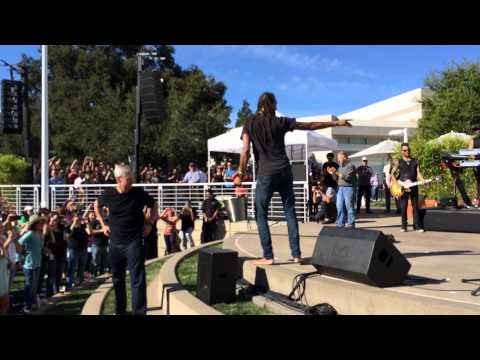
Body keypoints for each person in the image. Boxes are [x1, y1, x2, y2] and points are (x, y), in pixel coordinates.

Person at [236, 92, 352, 265]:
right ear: (272, 105)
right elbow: (310, 125)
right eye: (276, 105)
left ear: (259, 105)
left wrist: (240, 171)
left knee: (261, 213)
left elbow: (245, 149)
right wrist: (336, 123)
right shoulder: (280, 122)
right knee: (289, 211)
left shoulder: (250, 123)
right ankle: (296, 254)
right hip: (284, 171)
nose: (277, 108)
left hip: (265, 173)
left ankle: (268, 256)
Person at [95, 164, 157, 315]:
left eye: (132, 178)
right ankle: (120, 310)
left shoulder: (138, 193)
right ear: (119, 179)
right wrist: (103, 225)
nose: (132, 181)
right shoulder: (109, 194)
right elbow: (96, 205)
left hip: (134, 242)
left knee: (138, 279)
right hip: (115, 244)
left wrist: (149, 224)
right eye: (129, 179)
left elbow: (154, 204)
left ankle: (139, 312)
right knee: (117, 279)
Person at [391, 143, 425, 232]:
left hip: (413, 185)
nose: (407, 151)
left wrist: (423, 180)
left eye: (408, 150)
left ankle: (417, 226)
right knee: (404, 206)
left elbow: (418, 173)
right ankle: (404, 226)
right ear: (402, 151)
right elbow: (392, 174)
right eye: (405, 150)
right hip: (403, 187)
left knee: (415, 206)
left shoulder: (415, 161)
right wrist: (397, 184)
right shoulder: (398, 162)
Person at [17, 215, 47, 313]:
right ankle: (26, 306)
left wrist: (47, 251)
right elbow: (19, 243)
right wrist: (20, 258)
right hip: (28, 264)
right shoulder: (30, 233)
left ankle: (32, 304)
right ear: (35, 224)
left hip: (38, 263)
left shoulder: (41, 234)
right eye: (40, 223)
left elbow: (41, 248)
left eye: (43, 223)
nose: (42, 225)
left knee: (34, 286)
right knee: (29, 285)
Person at [327, 151, 357, 228]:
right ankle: (340, 223)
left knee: (349, 206)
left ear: (345, 157)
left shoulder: (351, 166)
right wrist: (332, 173)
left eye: (339, 157)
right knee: (339, 206)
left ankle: (351, 223)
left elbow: (347, 178)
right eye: (337, 158)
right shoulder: (340, 167)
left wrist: (335, 172)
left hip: (349, 188)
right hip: (340, 188)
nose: (338, 159)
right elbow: (336, 179)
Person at [66, 214, 91, 289]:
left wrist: (87, 223)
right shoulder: (69, 227)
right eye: (76, 218)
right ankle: (69, 284)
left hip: (83, 249)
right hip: (73, 249)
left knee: (81, 267)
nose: (78, 220)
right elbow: (68, 234)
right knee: (72, 268)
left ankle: (80, 283)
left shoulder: (83, 227)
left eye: (79, 218)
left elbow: (89, 232)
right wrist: (74, 223)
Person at [88, 211, 109, 277]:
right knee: (96, 262)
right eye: (103, 211)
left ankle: (102, 276)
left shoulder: (106, 221)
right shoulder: (93, 222)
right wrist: (102, 230)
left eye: (105, 212)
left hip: (105, 244)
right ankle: (94, 276)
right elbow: (90, 232)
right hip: (96, 245)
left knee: (104, 263)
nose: (104, 213)